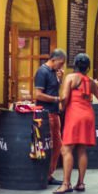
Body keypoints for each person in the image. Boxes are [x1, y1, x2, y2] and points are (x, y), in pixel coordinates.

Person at [55, 53, 98, 194]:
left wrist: (60, 108)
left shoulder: (70, 78)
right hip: (88, 114)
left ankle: (66, 184)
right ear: (87, 67)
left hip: (74, 115)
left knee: (66, 149)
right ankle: (81, 183)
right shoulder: (89, 81)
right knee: (82, 150)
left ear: (75, 64)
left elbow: (64, 97)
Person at [34, 49, 67, 186]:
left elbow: (53, 88)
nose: (62, 66)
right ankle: (45, 174)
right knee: (50, 144)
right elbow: (38, 95)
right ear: (54, 59)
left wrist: (61, 79)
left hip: (54, 113)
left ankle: (49, 174)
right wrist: (57, 99)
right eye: (61, 62)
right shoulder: (42, 72)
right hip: (46, 113)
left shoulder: (54, 72)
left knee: (57, 144)